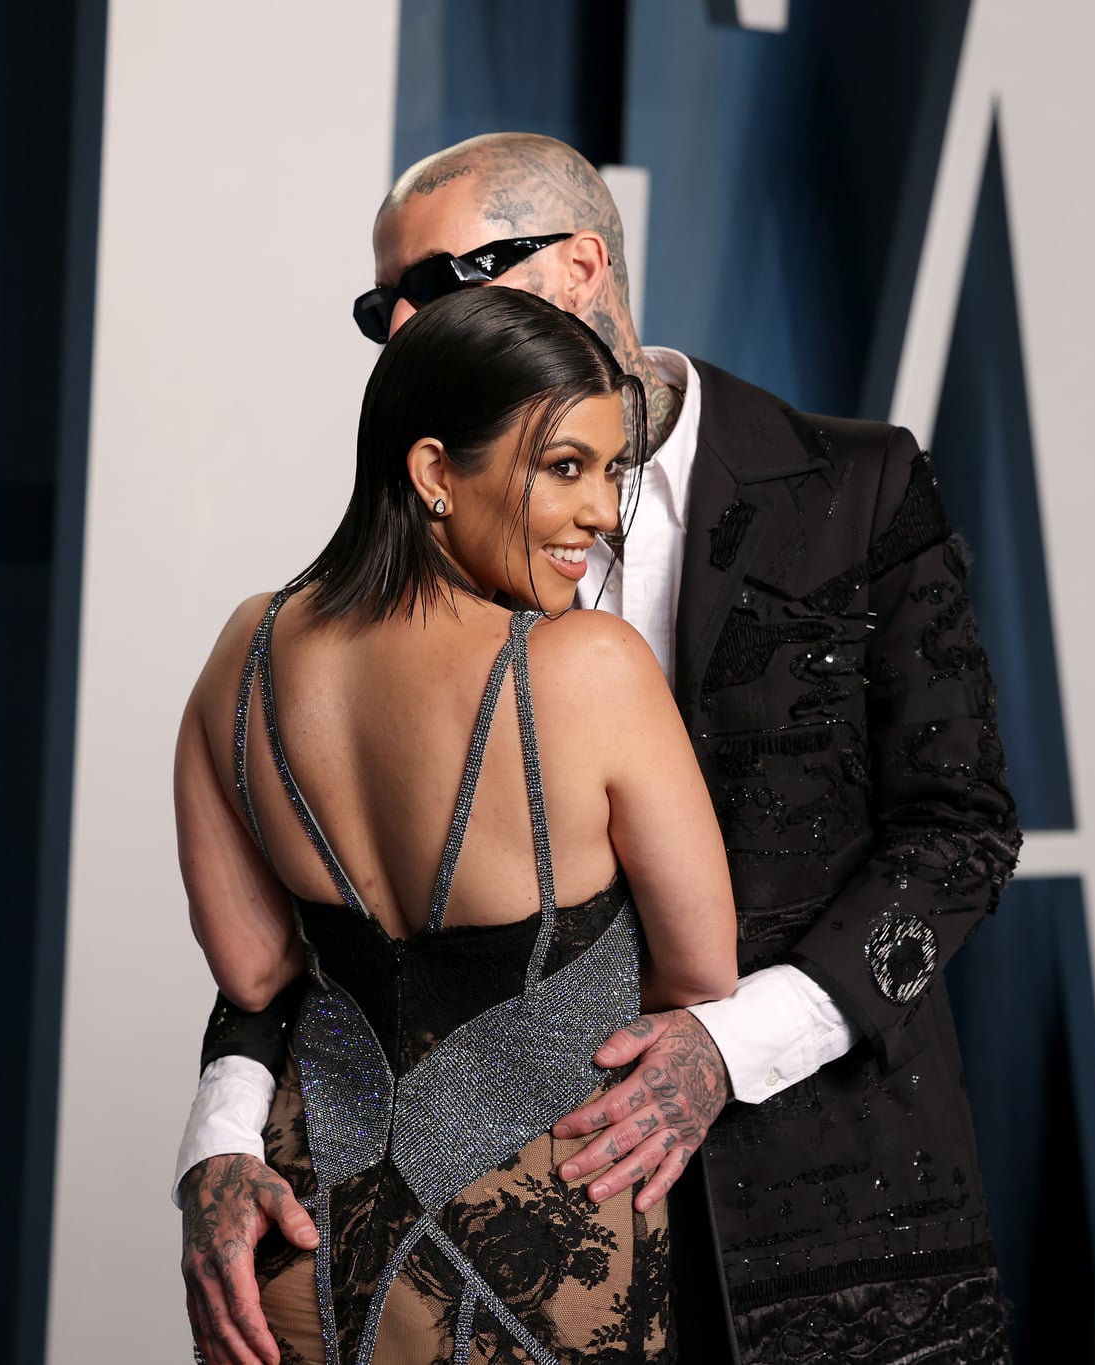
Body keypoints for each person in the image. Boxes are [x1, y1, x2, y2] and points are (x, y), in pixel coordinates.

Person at [179, 133, 1021, 1364]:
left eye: (439, 281)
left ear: (581, 266)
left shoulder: (855, 486)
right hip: (511, 1237)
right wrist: (223, 1133)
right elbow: (328, 925)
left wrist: (732, 1046)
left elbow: (958, 831)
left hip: (827, 1211)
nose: (407, 327)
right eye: (384, 307)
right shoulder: (429, 521)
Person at [177, 287, 738, 1364]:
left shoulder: (244, 652)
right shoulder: (588, 670)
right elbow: (699, 971)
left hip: (301, 1246)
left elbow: (253, 974)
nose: (604, 515)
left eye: (612, 472)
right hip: (540, 1251)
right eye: (564, 467)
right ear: (434, 472)